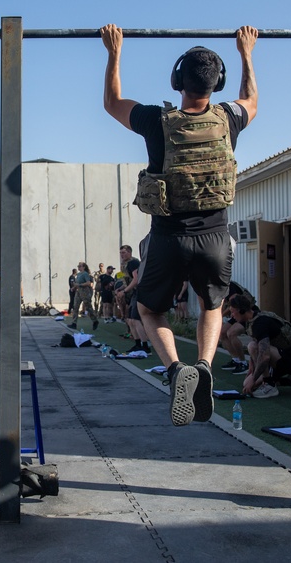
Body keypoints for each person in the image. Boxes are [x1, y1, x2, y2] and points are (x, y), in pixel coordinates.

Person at [101, 23, 259, 426]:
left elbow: (112, 101)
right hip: (216, 238)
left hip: (169, 237)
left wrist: (114, 51)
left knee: (149, 310)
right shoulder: (229, 119)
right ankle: (204, 366)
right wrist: (246, 53)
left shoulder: (157, 120)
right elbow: (252, 99)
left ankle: (176, 371)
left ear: (177, 81)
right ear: (216, 83)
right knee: (213, 303)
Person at [229, 294, 291, 397]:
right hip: (278, 357)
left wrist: (254, 378)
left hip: (290, 360)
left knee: (252, 346)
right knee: (246, 383)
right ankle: (290, 380)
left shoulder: (260, 323)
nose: (231, 315)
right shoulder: (252, 319)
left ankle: (270, 385)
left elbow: (264, 356)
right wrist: (252, 368)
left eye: (232, 312)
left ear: (241, 310)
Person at [218, 282, 258, 373]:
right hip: (236, 314)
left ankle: (243, 363)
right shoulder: (219, 288)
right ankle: (236, 360)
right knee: (222, 333)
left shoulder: (229, 286)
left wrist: (219, 316)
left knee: (231, 333)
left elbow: (234, 305)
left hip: (245, 313)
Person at [118, 244, 151, 353]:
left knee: (136, 320)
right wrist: (120, 289)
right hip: (135, 293)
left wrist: (124, 291)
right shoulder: (126, 264)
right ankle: (138, 344)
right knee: (130, 320)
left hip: (141, 292)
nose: (122, 255)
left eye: (124, 252)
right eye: (121, 253)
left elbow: (136, 279)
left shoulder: (133, 263)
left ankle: (145, 346)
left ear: (129, 252)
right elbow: (128, 281)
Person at [68, 262, 99, 330]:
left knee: (88, 307)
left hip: (85, 291)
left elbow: (88, 283)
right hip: (78, 291)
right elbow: (77, 283)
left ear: (84, 267)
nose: (78, 267)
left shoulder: (85, 274)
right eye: (78, 266)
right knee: (75, 306)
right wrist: (73, 288)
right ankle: (74, 323)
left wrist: (79, 285)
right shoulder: (78, 274)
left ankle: (95, 320)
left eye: (80, 266)